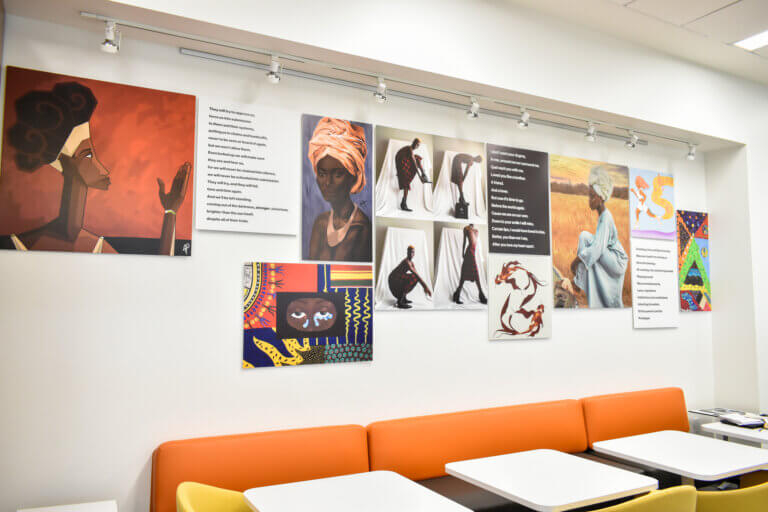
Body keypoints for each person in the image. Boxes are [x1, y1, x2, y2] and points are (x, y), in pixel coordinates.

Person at [1, 81, 190, 254]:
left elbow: (159, 274)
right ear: (66, 163)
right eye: (88, 156)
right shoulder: (18, 245)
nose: (104, 170)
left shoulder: (97, 246)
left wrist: (170, 211)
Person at [560, 165, 628, 308]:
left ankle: (577, 284)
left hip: (617, 260)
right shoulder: (604, 216)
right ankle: (579, 283)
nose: (589, 200)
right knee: (585, 236)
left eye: (592, 196)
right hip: (612, 257)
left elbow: (598, 248)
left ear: (601, 197)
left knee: (587, 240)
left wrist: (576, 261)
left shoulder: (606, 218)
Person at [307, 117, 372, 262]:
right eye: (322, 174)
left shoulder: (361, 228)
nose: (327, 182)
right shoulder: (320, 223)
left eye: (338, 174)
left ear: (353, 177)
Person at [453, 223, 487, 304]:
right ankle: (481, 295)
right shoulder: (466, 228)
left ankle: (457, 294)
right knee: (469, 275)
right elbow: (465, 241)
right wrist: (462, 253)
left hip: (473, 253)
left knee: (470, 275)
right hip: (469, 253)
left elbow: (475, 244)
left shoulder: (476, 231)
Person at [394, 138, 430, 212]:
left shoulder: (409, 150)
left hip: (402, 165)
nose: (418, 146)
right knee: (416, 159)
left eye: (418, 145)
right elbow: (413, 162)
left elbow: (414, 160)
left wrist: (422, 174)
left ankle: (403, 202)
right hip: (401, 166)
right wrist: (421, 176)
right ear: (414, 143)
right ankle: (404, 203)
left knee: (417, 158)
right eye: (417, 144)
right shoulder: (409, 149)